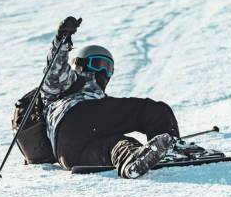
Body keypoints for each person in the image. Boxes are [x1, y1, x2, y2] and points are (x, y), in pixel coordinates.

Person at [41, 16, 181, 178]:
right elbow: (53, 73)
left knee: (115, 145)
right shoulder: (70, 81)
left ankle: (132, 159)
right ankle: (172, 149)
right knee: (153, 110)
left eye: (108, 68)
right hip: (79, 115)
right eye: (98, 64)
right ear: (79, 64)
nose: (104, 72)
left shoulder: (97, 101)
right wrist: (61, 40)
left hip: (69, 154)